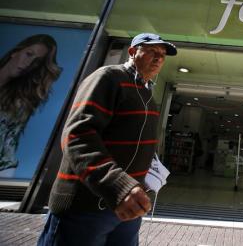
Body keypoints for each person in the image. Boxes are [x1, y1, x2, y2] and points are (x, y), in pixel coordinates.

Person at [38, 33, 177, 246]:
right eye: (151, 51)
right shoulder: (108, 77)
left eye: (162, 55)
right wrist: (118, 186)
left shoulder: (147, 93)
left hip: (127, 208)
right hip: (86, 208)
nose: (159, 58)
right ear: (132, 52)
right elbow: (78, 136)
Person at [0, 34, 61, 177]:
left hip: (3, 169)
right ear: (16, 51)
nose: (28, 63)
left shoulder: (24, 98)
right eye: (28, 54)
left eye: (37, 61)